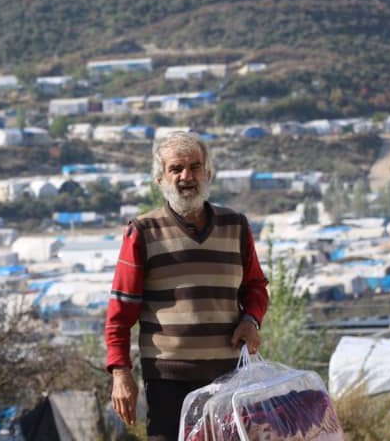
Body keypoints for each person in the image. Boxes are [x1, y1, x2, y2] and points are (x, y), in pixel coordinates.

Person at [105, 131, 270, 440]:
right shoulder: (143, 232)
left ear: (208, 173)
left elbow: (256, 287)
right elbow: (120, 313)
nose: (186, 176)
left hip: (230, 380)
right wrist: (120, 372)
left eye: (195, 167)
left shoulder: (236, 226)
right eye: (176, 169)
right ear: (160, 179)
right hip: (168, 382)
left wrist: (251, 320)